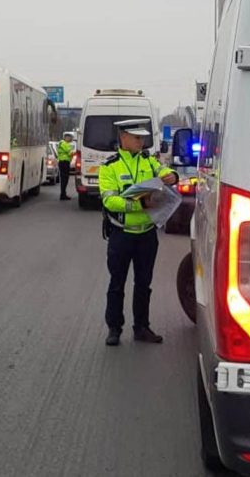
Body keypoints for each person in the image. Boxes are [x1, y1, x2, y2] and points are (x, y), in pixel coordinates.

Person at [99, 119, 178, 346]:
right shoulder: (110, 166)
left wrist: (171, 175)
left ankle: (142, 327)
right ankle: (114, 328)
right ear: (124, 138)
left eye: (143, 138)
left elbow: (165, 172)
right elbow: (110, 201)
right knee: (117, 283)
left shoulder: (148, 161)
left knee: (144, 283)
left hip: (147, 234)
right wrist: (138, 205)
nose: (142, 142)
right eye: (137, 138)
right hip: (121, 234)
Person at [57, 132, 74, 200]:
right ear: (66, 137)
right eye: (70, 137)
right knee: (64, 179)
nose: (71, 139)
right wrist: (74, 153)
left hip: (64, 162)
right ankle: (63, 195)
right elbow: (70, 152)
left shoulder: (65, 143)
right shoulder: (63, 143)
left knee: (65, 179)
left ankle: (63, 194)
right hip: (64, 162)